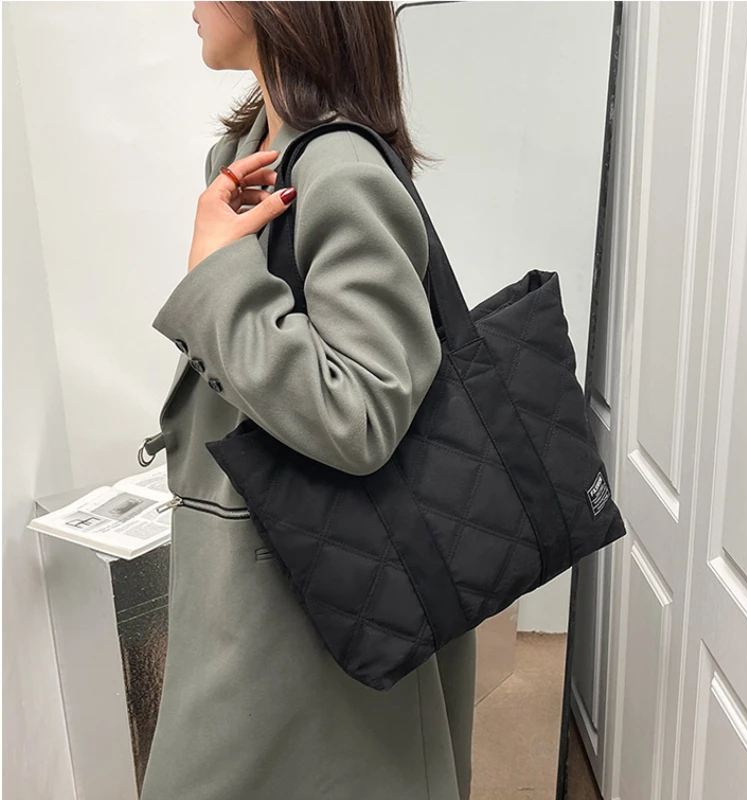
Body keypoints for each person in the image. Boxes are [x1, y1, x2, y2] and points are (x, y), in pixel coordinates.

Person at [138, 3, 477, 799]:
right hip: (265, 576)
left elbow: (362, 413)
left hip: (309, 601)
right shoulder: (255, 152)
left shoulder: (339, 171)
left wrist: (217, 273)